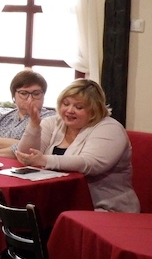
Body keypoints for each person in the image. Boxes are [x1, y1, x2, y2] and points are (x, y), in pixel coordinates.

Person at [15, 79, 139, 212]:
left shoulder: (110, 128)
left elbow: (90, 163)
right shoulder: (53, 122)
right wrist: (34, 126)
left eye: (79, 107)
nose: (69, 110)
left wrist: (44, 160)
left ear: (94, 110)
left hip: (104, 207)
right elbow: (26, 155)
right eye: (65, 104)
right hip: (60, 203)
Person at [0, 69, 54, 156]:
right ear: (14, 96)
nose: (30, 99)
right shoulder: (1, 114)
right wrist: (21, 143)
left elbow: (30, 150)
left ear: (43, 96)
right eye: (23, 93)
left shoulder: (49, 119)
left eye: (36, 94)